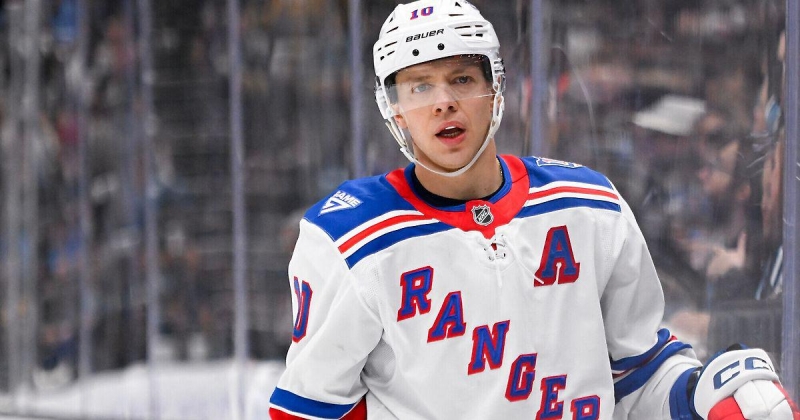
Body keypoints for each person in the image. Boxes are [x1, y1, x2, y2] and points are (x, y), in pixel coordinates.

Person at [268, 1, 799, 419]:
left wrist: (702, 395)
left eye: (462, 79)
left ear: (495, 87)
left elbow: (637, 375)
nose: (443, 101)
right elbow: (309, 409)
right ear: (396, 111)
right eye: (419, 86)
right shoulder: (348, 238)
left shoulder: (588, 206)